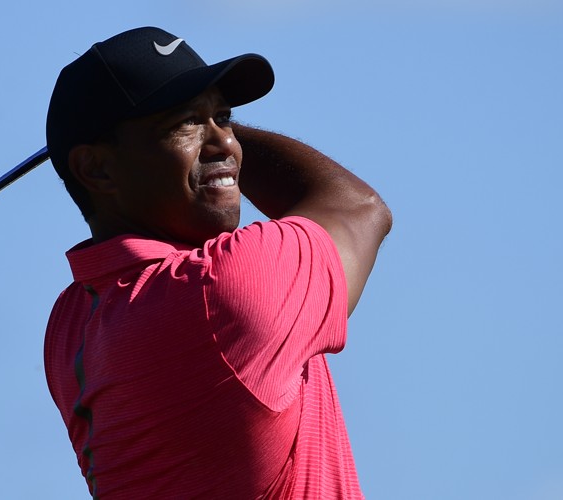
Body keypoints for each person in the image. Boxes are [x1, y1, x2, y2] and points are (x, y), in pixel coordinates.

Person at [43, 26, 392, 499]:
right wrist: (219, 126)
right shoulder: (220, 287)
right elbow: (358, 208)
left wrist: (192, 123)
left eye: (225, 118)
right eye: (185, 122)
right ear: (97, 168)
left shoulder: (69, 324)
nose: (226, 143)